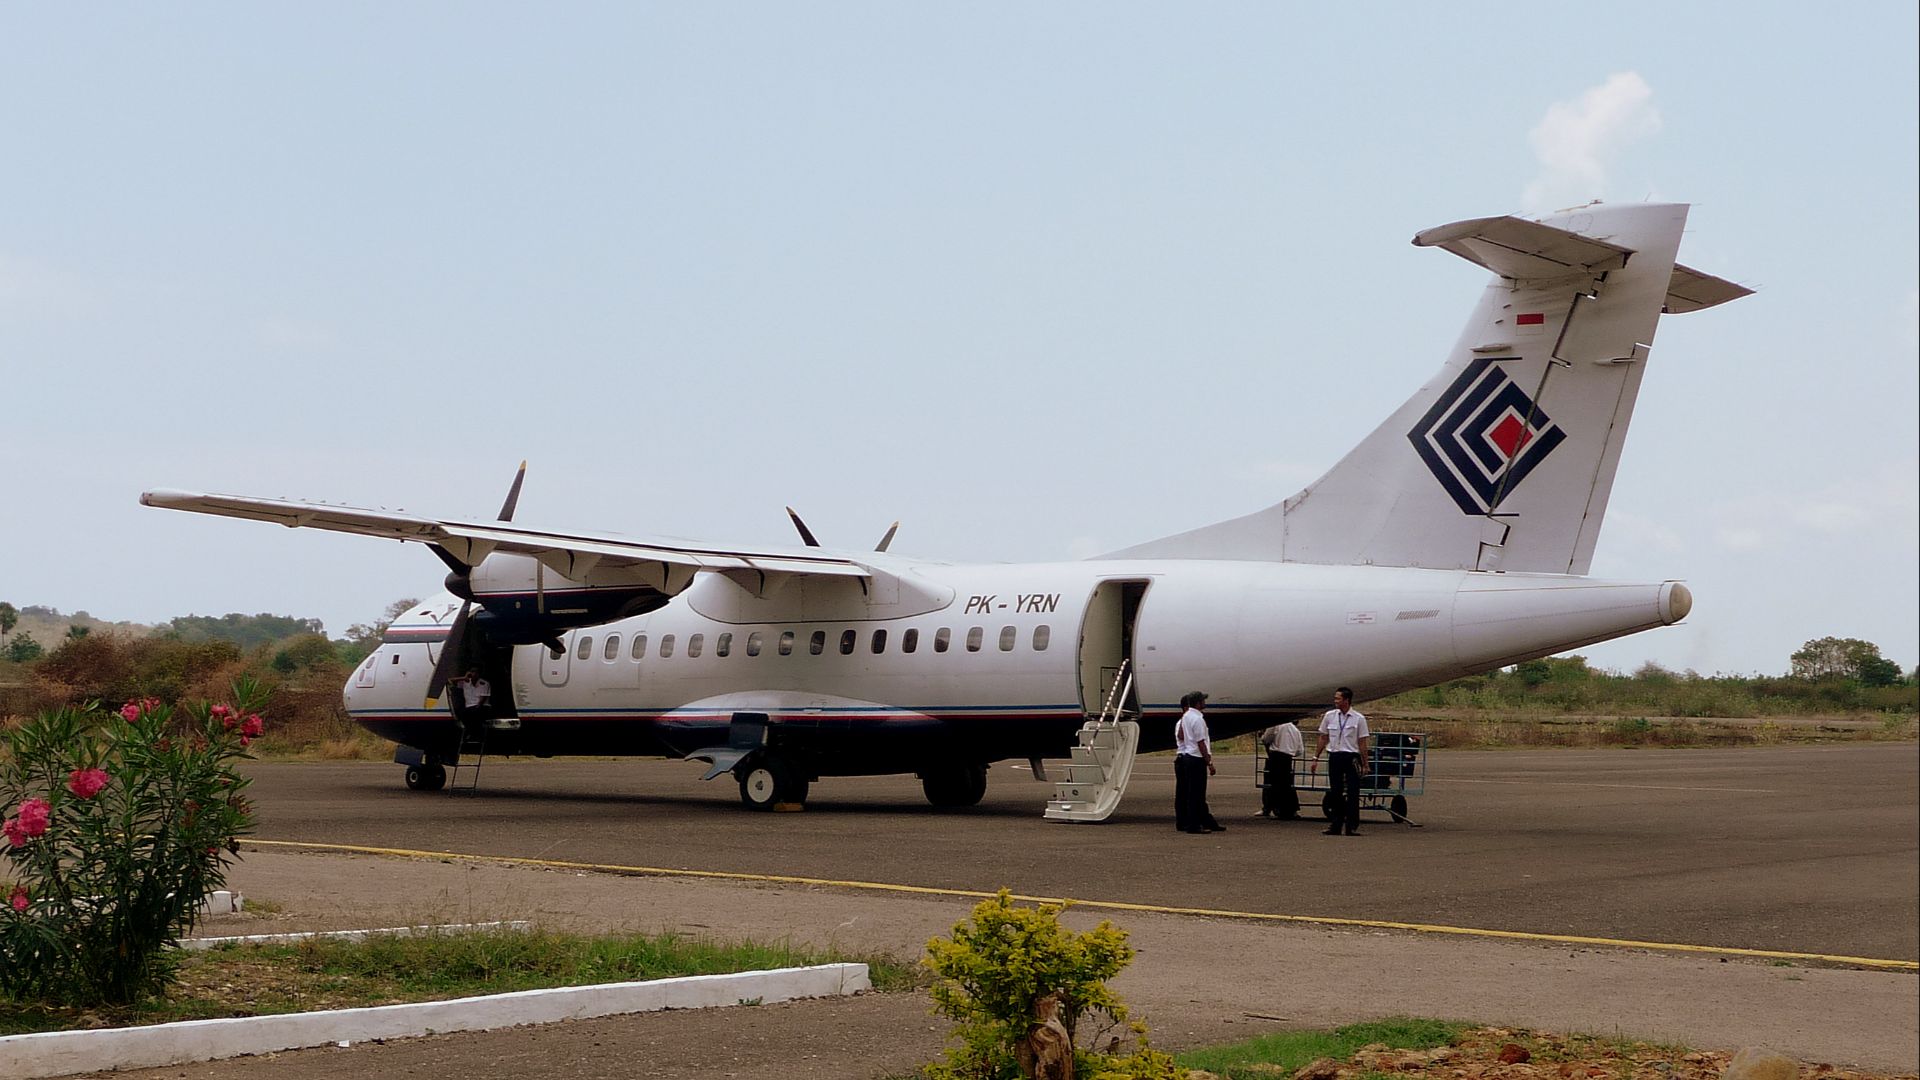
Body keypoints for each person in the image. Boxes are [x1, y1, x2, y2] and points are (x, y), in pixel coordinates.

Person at [1310, 686, 1369, 836]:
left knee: (1353, 792)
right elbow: (1323, 737)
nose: (1335, 701)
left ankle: (1351, 825)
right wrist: (1316, 757)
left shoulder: (1358, 719)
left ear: (1346, 700)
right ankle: (1336, 824)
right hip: (1335, 756)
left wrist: (1365, 763)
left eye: (1338, 698)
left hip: (1351, 757)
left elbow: (1362, 742)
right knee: (1335, 791)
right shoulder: (1330, 716)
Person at [1173, 691, 1224, 834]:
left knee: (1188, 793)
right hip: (1196, 758)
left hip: (1187, 756)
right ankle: (1194, 825)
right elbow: (1201, 742)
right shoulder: (1198, 719)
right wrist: (1209, 762)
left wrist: (1188, 741)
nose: (1205, 703)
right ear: (1198, 703)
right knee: (1197, 794)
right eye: (1203, 700)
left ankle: (1191, 822)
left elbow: (1180, 735)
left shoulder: (1185, 717)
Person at [1257, 717, 1303, 819]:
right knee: (1287, 784)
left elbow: (1266, 739)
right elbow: (1300, 750)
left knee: (1275, 784)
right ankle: (1291, 809)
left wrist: (1262, 736)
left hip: (1276, 756)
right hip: (1288, 758)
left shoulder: (1276, 725)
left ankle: (1275, 808)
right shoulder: (1295, 730)